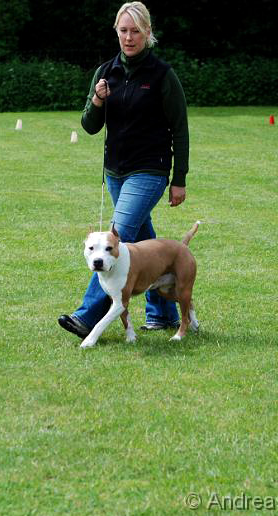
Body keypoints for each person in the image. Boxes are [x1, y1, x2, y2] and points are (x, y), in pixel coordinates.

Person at [58, 1, 190, 339]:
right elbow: (89, 125)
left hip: (150, 170)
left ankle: (87, 315)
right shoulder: (106, 72)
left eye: (135, 31)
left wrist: (179, 180)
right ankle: (162, 314)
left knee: (115, 236)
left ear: (148, 33)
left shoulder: (162, 75)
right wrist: (98, 100)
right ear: (116, 32)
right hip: (116, 172)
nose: (129, 38)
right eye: (123, 31)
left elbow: (180, 128)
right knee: (142, 240)